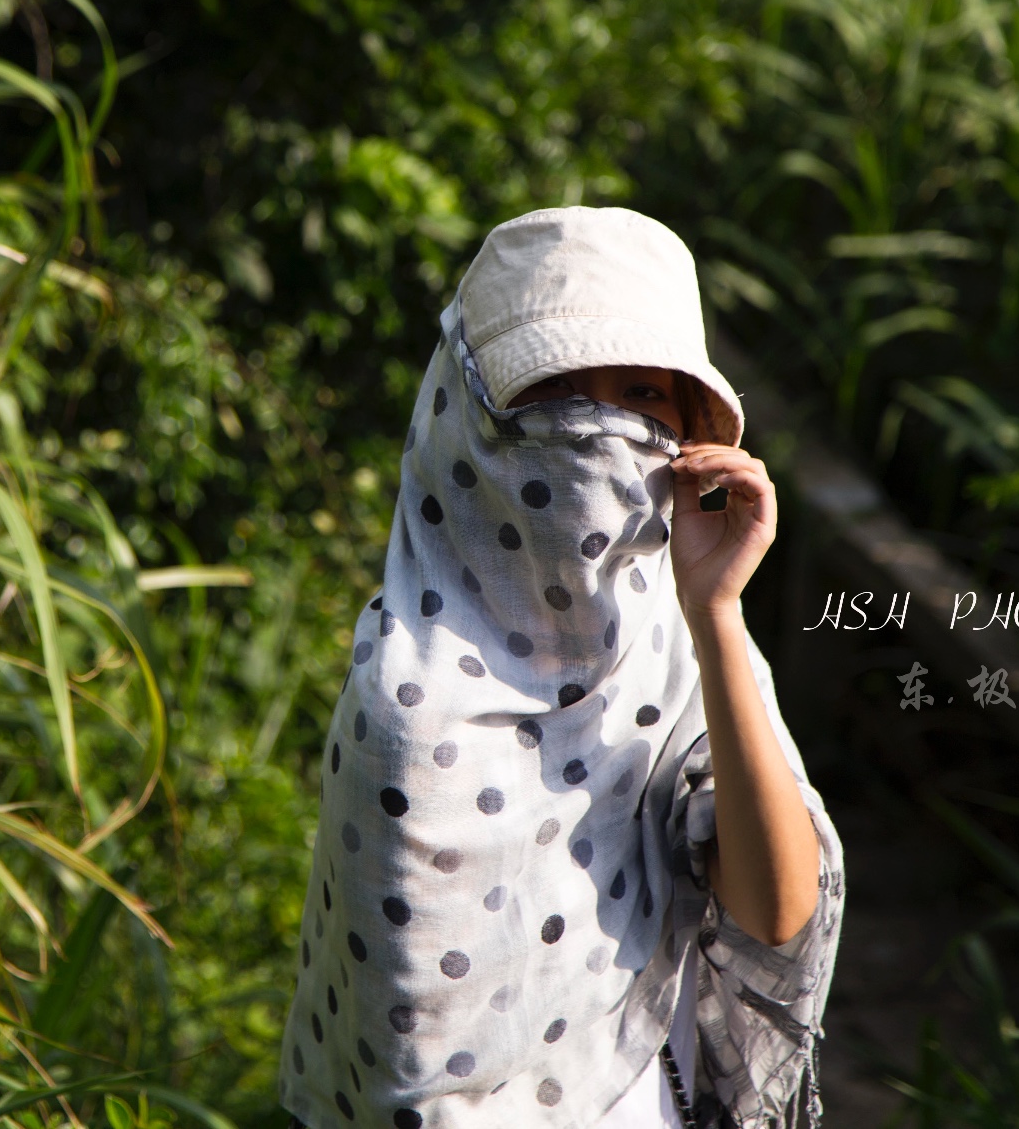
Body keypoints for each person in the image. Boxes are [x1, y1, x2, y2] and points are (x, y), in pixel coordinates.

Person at [279, 207, 844, 1129]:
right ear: (476, 422)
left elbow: (776, 912)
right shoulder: (412, 702)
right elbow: (409, 1076)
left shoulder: (682, 648)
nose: (601, 428)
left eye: (641, 394)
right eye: (558, 392)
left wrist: (715, 612)